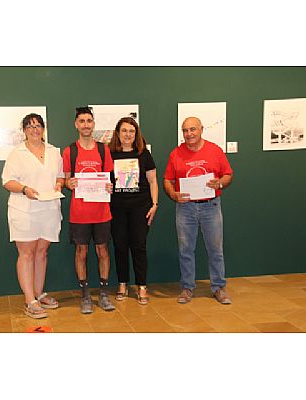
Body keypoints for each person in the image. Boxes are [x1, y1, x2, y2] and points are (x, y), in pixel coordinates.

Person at [163, 116, 233, 304]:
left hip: (211, 206)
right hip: (185, 208)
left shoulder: (215, 150)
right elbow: (167, 180)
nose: (189, 134)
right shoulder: (175, 154)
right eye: (185, 130)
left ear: (201, 129)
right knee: (185, 249)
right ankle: (187, 288)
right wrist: (173, 194)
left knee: (215, 249)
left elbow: (228, 174)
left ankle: (219, 287)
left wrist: (220, 182)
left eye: (192, 129)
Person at [2, 113, 64, 319]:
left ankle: (39, 293)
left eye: (38, 126)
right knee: (27, 253)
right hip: (24, 210)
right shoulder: (16, 153)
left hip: (49, 209)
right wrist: (25, 189)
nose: (35, 130)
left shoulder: (54, 151)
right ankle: (30, 300)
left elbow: (60, 176)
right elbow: (7, 181)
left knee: (42, 252)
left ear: (43, 129)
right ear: (24, 130)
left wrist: (58, 184)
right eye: (30, 126)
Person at [62, 107, 115, 314]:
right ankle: (85, 295)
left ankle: (103, 293)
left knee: (103, 251)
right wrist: (70, 183)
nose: (86, 124)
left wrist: (109, 186)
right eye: (82, 121)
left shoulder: (103, 150)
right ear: (76, 124)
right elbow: (66, 179)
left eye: (89, 121)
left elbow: (108, 178)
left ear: (94, 124)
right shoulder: (69, 151)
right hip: (79, 212)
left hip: (102, 211)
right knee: (81, 252)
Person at [109, 117, 158, 305]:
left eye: (131, 131)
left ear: (136, 134)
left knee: (139, 246)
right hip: (117, 207)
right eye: (124, 131)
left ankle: (142, 286)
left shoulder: (143, 154)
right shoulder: (110, 154)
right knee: (120, 246)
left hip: (140, 207)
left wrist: (154, 205)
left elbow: (153, 180)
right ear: (118, 133)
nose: (128, 134)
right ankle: (122, 284)